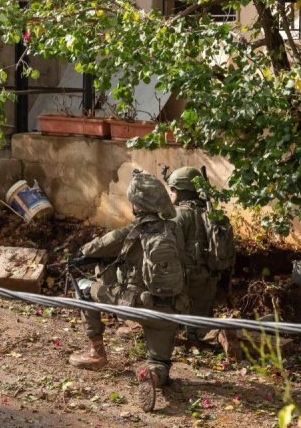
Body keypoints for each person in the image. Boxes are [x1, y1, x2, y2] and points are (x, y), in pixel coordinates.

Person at [67, 169, 188, 412]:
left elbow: (94, 249)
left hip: (134, 304)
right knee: (160, 362)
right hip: (169, 310)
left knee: (83, 287)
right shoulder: (174, 230)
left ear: (137, 205)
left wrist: (78, 255)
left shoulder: (130, 233)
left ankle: (96, 352)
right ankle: (152, 376)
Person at [166, 166, 213, 342]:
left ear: (181, 191)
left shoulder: (179, 215)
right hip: (209, 276)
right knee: (201, 320)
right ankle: (198, 334)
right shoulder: (211, 213)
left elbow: (169, 249)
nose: (171, 194)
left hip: (186, 278)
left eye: (172, 190)